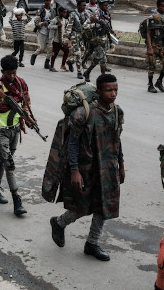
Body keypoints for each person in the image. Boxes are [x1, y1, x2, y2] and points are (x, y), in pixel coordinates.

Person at [49, 74, 124, 262]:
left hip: (108, 168)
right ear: (98, 91)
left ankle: (92, 243)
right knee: (81, 206)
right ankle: (59, 223)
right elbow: (72, 143)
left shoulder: (117, 112)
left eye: (115, 89)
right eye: (108, 90)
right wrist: (74, 171)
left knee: (103, 206)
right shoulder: (83, 114)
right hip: (86, 168)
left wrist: (121, 165)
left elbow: (117, 140)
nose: (113, 93)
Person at [0, 55, 31, 216]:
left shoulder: (21, 84)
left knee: (3, 160)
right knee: (10, 165)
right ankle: (17, 200)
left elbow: (26, 103)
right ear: (2, 71)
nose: (12, 76)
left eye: (14, 73)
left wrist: (28, 117)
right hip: (0, 130)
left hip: (15, 129)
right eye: (8, 73)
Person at [82, 0, 112, 82]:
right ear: (100, 5)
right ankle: (102, 78)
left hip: (103, 38)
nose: (106, 6)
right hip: (94, 39)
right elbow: (85, 26)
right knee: (101, 56)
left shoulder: (107, 14)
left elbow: (108, 28)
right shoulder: (94, 15)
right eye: (104, 5)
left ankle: (88, 72)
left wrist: (111, 41)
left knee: (102, 58)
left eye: (107, 5)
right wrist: (96, 24)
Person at [146, 0, 164, 93]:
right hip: (154, 44)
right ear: (157, 6)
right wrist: (149, 47)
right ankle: (150, 85)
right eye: (162, 6)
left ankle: (159, 81)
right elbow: (148, 33)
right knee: (152, 65)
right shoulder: (153, 17)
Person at [31, 0, 55, 69]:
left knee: (51, 48)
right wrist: (42, 23)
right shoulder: (40, 10)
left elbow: (54, 20)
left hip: (50, 31)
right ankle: (34, 55)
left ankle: (47, 62)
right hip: (42, 31)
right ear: (44, 1)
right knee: (41, 48)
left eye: (49, 0)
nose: (48, 2)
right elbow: (36, 21)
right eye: (46, 0)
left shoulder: (52, 11)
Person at [69, 0, 89, 79]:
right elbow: (69, 26)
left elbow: (88, 23)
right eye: (82, 5)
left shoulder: (85, 14)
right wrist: (65, 37)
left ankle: (71, 61)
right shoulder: (73, 14)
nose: (84, 7)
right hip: (74, 35)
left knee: (83, 51)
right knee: (78, 54)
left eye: (85, 5)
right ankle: (79, 72)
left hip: (81, 36)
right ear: (78, 6)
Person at [49, 7, 71, 72]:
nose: (65, 14)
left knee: (66, 51)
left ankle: (63, 65)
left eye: (65, 12)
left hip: (63, 40)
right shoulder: (55, 20)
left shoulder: (65, 20)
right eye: (64, 12)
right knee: (55, 53)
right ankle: (52, 66)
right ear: (60, 12)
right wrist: (57, 26)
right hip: (56, 40)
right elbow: (49, 26)